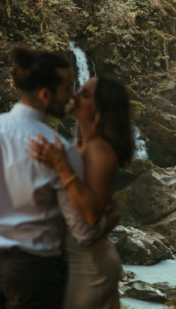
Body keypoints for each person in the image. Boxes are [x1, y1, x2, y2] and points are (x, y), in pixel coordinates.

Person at [0, 46, 114, 309]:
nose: (71, 96)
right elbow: (81, 228)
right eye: (67, 88)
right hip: (35, 270)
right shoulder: (59, 149)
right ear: (45, 95)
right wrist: (108, 220)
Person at [29, 76, 135, 309]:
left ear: (100, 112)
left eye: (85, 94)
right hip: (77, 262)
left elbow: (90, 214)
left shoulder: (98, 149)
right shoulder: (81, 148)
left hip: (89, 267)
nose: (75, 96)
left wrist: (61, 167)